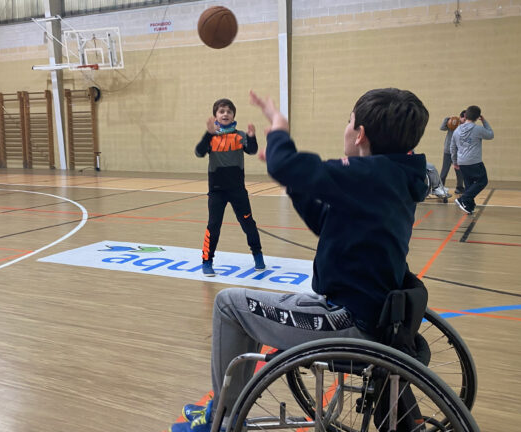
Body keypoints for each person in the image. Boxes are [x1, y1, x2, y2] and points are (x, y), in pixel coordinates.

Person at [171, 88, 429, 432]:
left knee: (228, 304)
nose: (346, 128)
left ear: (360, 133)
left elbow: (286, 163)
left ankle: (221, 419)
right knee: (255, 305)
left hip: (347, 321)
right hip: (368, 311)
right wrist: (294, 184)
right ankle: (225, 408)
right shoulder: (395, 176)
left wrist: (278, 128)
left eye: (349, 121)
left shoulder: (368, 174)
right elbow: (325, 222)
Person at [195, 98, 266, 277]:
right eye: (221, 111)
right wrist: (208, 134)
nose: (225, 114)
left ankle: (258, 255)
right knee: (214, 226)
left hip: (237, 191)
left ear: (233, 115)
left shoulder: (240, 135)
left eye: (228, 111)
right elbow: (199, 152)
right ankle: (207, 261)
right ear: (215, 116)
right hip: (217, 191)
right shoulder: (211, 137)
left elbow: (252, 150)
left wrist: (251, 136)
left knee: (248, 223)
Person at [450, 105, 494, 215]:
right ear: (478, 117)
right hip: (474, 161)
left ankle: (469, 206)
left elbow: (452, 147)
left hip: (462, 162)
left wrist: (454, 162)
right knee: (482, 181)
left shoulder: (456, 130)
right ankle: (462, 199)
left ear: (465, 115)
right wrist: (484, 121)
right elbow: (490, 134)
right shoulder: (478, 129)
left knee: (469, 184)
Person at [439, 110, 466, 194]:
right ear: (460, 117)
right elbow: (442, 128)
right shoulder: (453, 124)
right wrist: (448, 119)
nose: (465, 119)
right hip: (448, 151)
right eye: (464, 117)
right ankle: (440, 188)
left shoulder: (466, 127)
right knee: (444, 171)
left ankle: (459, 188)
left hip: (459, 152)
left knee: (459, 172)